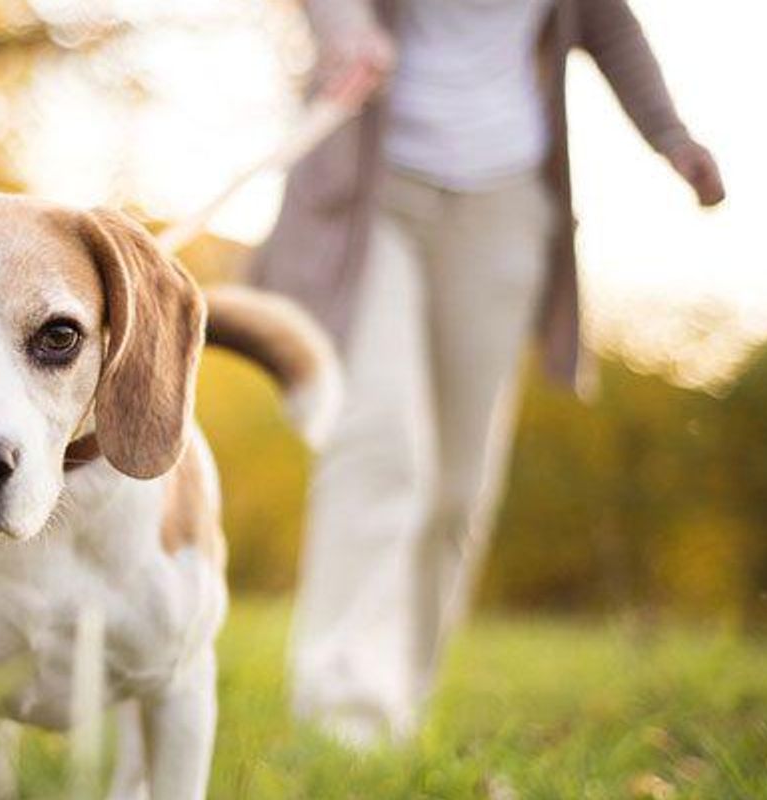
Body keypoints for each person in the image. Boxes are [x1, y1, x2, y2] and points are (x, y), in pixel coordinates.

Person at [253, 0, 725, 746]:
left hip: (505, 203)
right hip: (375, 185)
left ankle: (397, 704)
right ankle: (341, 709)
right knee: (379, 442)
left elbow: (609, 24)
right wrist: (346, 25)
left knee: (456, 484)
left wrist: (670, 136)